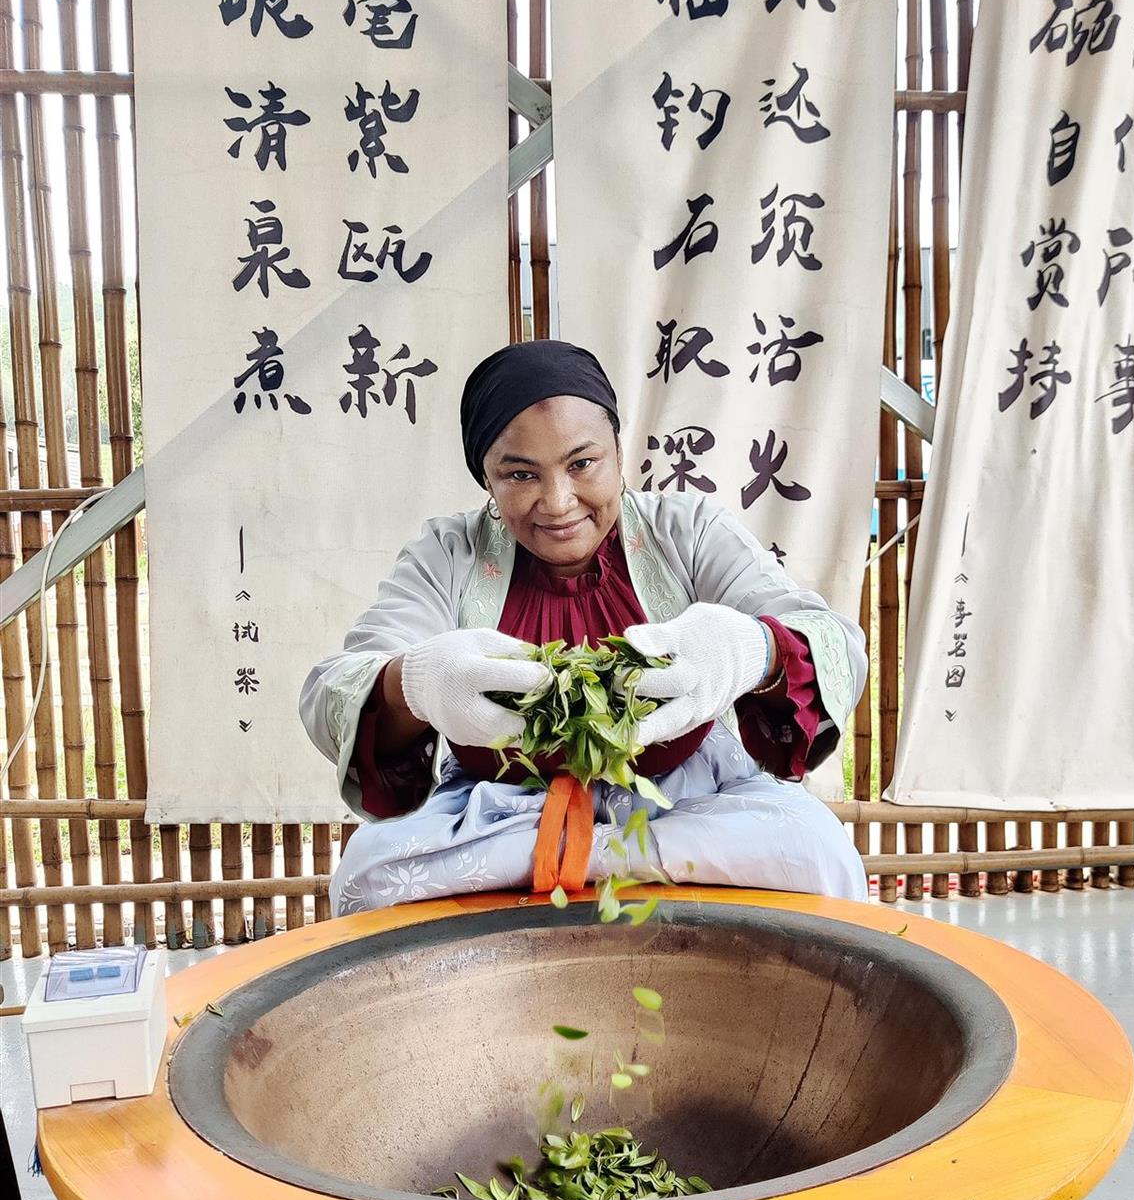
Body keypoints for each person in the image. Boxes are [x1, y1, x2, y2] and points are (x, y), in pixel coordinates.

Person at [300, 339, 869, 913]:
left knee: (817, 852)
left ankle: (578, 860)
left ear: (619, 453)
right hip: (498, 813)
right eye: (520, 474)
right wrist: (414, 683)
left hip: (686, 802)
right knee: (367, 872)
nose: (558, 502)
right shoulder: (449, 555)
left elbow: (832, 639)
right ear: (487, 480)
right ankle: (605, 859)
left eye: (582, 464)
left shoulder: (688, 532)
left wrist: (754, 650)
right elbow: (336, 686)